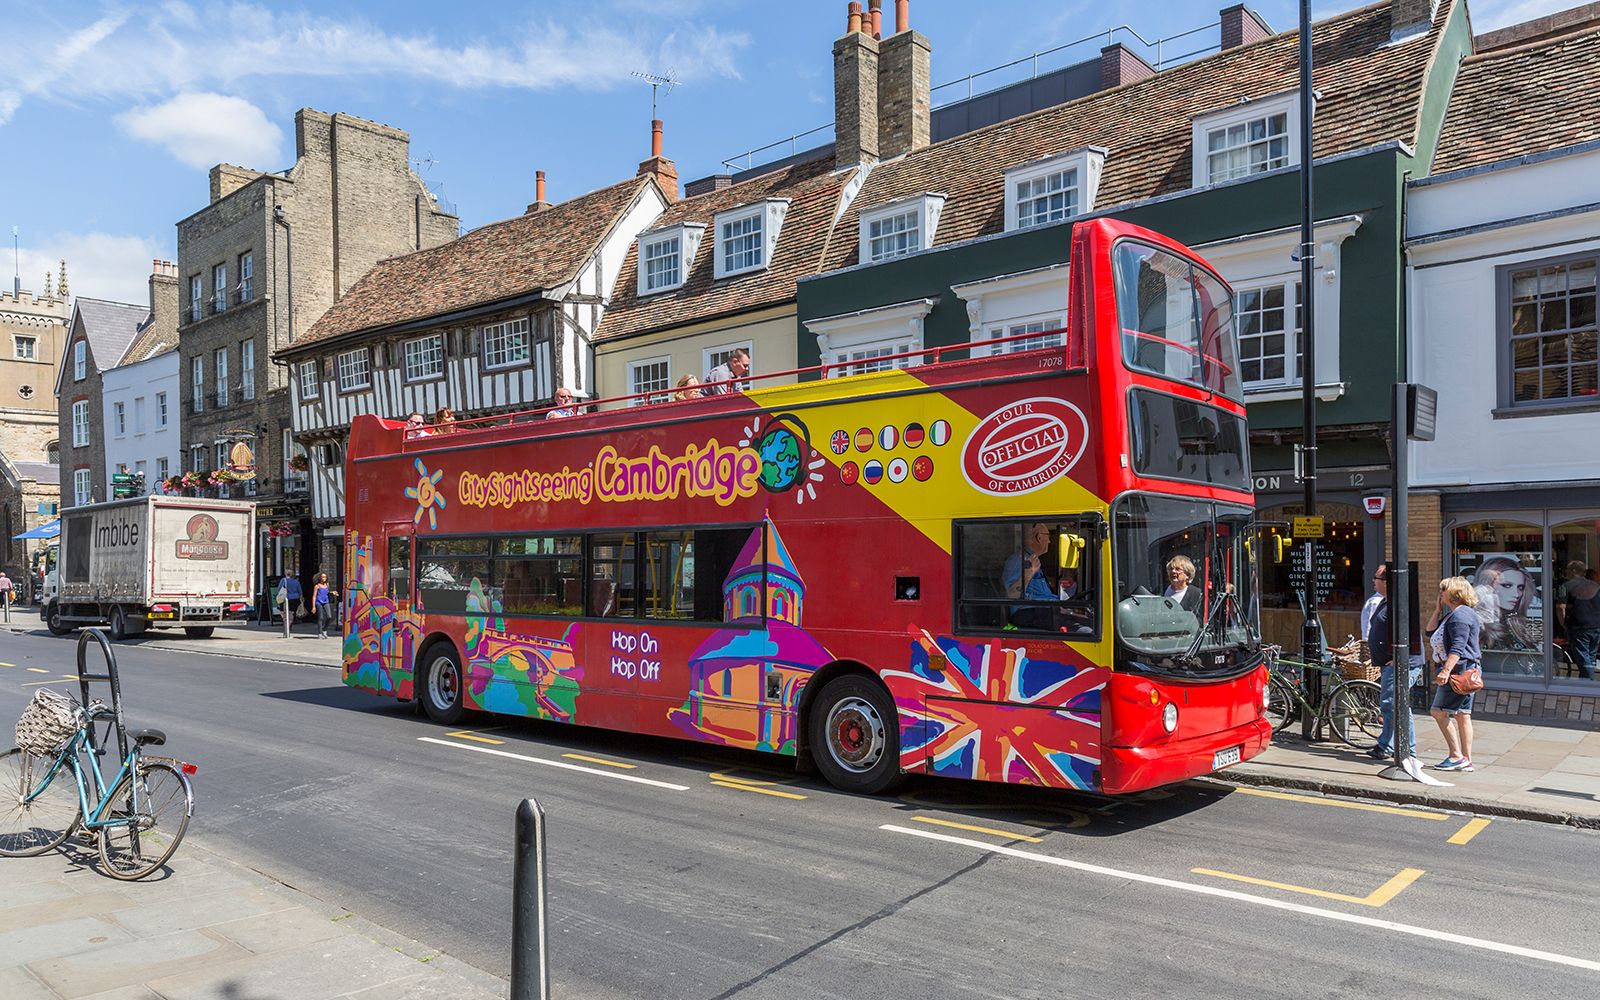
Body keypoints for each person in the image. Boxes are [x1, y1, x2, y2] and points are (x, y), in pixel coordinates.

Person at [1362, 563, 1416, 761]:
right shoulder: (1385, 601)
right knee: (1390, 705)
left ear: (1386, 582)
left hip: (1397, 664)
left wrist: (1398, 657)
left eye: (1376, 578)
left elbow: (1409, 632)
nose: (1373, 581)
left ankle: (1408, 750)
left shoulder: (1397, 603)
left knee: (1397, 705)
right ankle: (1387, 746)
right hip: (1387, 663)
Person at [1430, 576, 1483, 772]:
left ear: (1453, 593)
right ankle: (1466, 760)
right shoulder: (1458, 614)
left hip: (1458, 672)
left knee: (1438, 712)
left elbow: (1458, 648)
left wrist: (1445, 671)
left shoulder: (1460, 616)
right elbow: (1430, 632)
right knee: (1462, 715)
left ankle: (1455, 756)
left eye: (1443, 590)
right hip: (1467, 670)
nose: (1440, 594)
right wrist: (1437, 610)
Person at [1473, 556, 1539, 653]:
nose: (1516, 594)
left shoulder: (1514, 623)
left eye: (1520, 587)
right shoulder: (1477, 623)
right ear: (1488, 585)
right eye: (1507, 585)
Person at [1003, 523, 1057, 629]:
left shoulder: (1032, 559)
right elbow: (1011, 595)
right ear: (1039, 537)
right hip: (1030, 613)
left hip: (1044, 610)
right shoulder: (1019, 560)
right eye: (1048, 537)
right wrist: (1029, 573)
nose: (1049, 541)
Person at [1556, 560, 1600, 681]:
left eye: (1568, 570)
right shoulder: (1595, 585)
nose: (1566, 572)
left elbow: (1560, 607)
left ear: (1574, 571)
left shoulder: (1565, 586)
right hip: (1596, 626)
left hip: (1579, 626)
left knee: (1584, 660)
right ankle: (1584, 685)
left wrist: (1563, 624)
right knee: (1589, 658)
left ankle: (1590, 686)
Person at [313, 572, 339, 639]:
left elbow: (327, 592)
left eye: (325, 577)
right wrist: (313, 607)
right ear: (320, 578)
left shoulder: (327, 585)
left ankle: (324, 629)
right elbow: (314, 596)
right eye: (322, 577)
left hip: (326, 602)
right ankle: (319, 633)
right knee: (320, 618)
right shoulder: (317, 586)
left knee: (329, 616)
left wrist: (332, 592)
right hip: (319, 602)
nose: (324, 578)